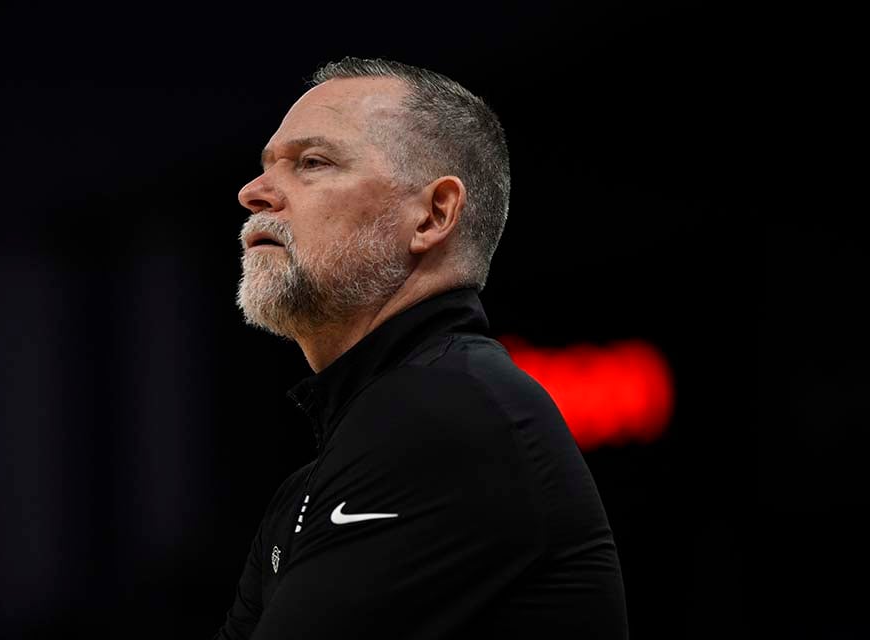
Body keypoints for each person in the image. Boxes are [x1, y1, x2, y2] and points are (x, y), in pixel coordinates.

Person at [214, 57, 628, 639]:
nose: (252, 193)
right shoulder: (311, 484)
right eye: (264, 169)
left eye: (311, 163)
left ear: (433, 215)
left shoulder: (451, 413)